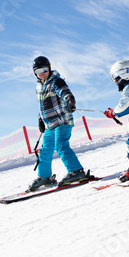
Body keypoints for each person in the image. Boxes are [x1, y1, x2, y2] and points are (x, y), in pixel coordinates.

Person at [28, 56, 87, 190]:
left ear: (49, 68)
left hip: (62, 120)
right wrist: (40, 119)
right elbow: (41, 105)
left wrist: (70, 101)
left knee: (60, 145)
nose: (41, 73)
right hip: (49, 124)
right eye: (38, 71)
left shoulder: (56, 81)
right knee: (45, 150)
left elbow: (65, 93)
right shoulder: (38, 86)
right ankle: (45, 177)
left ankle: (76, 171)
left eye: (44, 69)